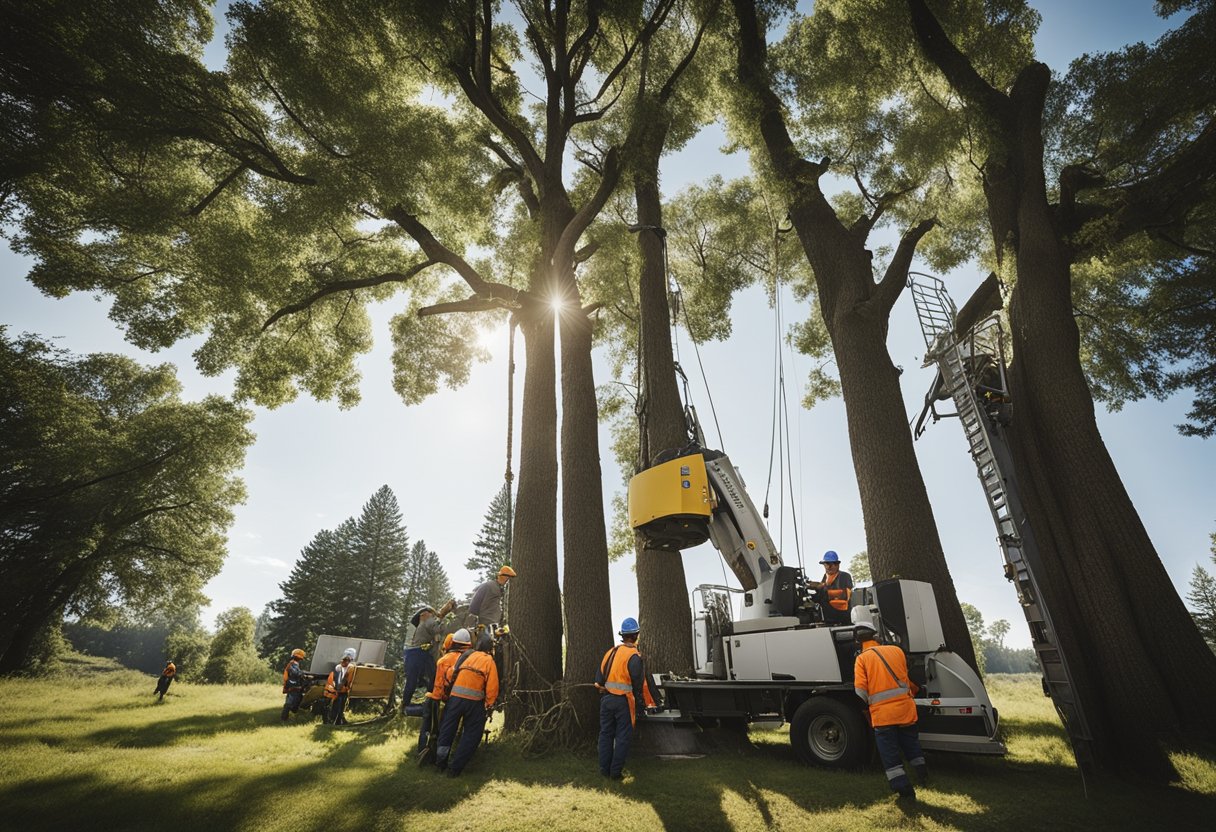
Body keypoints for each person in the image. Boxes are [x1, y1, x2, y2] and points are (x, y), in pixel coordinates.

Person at [853, 620, 927, 801]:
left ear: (857, 640)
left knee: (890, 755)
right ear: (875, 635)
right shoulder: (897, 651)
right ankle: (923, 774)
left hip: (883, 717)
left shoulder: (862, 659)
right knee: (912, 744)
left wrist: (865, 713)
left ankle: (905, 791)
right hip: (906, 711)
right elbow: (904, 678)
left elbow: (860, 692)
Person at [595, 617, 660, 780]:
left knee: (605, 735)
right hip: (624, 702)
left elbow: (599, 680)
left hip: (606, 700)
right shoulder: (634, 656)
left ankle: (604, 770)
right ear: (636, 635)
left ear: (622, 635)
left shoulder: (610, 652)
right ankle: (615, 773)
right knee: (622, 737)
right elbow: (639, 684)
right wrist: (644, 704)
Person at [434, 630, 499, 778]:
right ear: (489, 648)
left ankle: (440, 764)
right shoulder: (489, 661)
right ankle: (455, 769)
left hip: (455, 699)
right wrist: (489, 704)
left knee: (447, 731)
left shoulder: (467, 656)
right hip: (474, 703)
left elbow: (451, 674)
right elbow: (492, 686)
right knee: (472, 734)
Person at [418, 630, 468, 766]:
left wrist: (435, 699)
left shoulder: (444, 660)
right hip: (462, 699)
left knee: (432, 727)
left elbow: (438, 686)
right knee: (453, 729)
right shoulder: (470, 659)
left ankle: (425, 752)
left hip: (444, 699)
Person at [402, 598, 456, 713]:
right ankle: (432, 700)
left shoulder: (420, 625)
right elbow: (439, 629)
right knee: (433, 674)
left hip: (412, 653)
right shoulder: (427, 621)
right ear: (424, 614)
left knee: (412, 679)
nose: (433, 616)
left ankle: (405, 704)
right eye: (432, 614)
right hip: (419, 653)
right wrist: (443, 617)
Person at [809, 550, 853, 624]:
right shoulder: (825, 578)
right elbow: (821, 597)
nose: (829, 567)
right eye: (826, 564)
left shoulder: (845, 576)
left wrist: (822, 587)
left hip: (842, 619)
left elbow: (845, 595)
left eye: (832, 564)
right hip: (828, 619)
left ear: (837, 565)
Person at [466, 565, 516, 630]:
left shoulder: (499, 589)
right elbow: (473, 606)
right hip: (486, 625)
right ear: (504, 577)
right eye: (508, 578)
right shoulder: (489, 586)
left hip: (494, 625)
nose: (508, 580)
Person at [323, 648, 357, 725]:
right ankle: (334, 722)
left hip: (338, 690)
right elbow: (343, 679)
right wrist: (339, 689)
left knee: (338, 707)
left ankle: (337, 722)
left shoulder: (339, 666)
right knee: (338, 707)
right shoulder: (350, 667)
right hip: (340, 690)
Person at [281, 648, 307, 722]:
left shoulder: (293, 664)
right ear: (299, 657)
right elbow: (296, 673)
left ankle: (290, 716)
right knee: (289, 704)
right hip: (293, 687)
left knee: (298, 700)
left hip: (294, 687)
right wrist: (303, 674)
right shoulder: (293, 664)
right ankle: (284, 718)